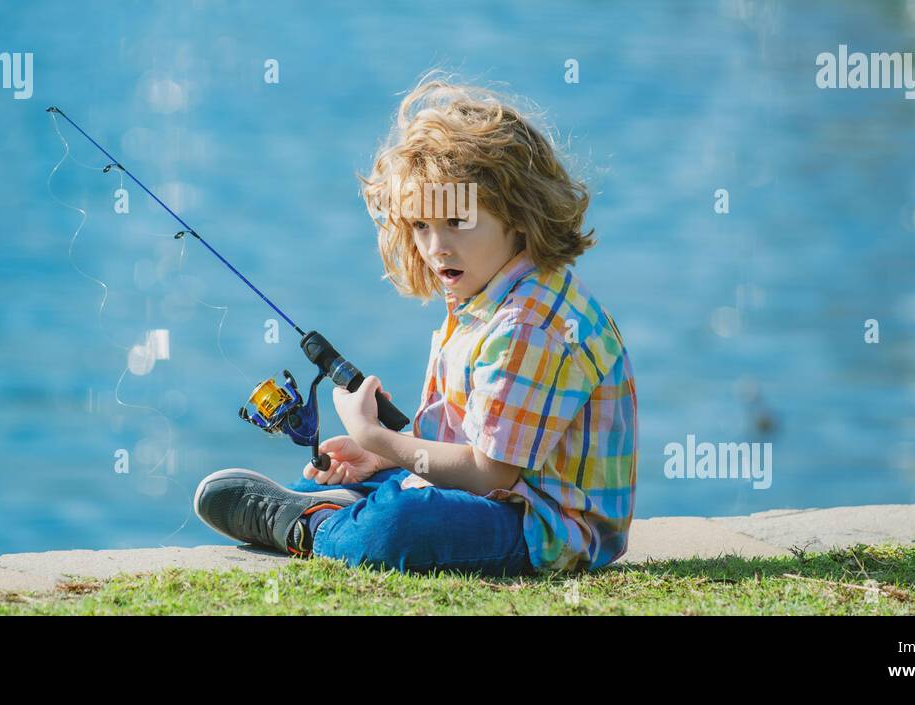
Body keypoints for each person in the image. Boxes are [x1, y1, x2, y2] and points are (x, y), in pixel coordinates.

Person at [194, 70, 638, 576]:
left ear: (516, 213)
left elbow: (490, 469)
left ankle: (314, 525)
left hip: (546, 529)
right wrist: (386, 460)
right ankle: (345, 503)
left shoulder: (528, 324)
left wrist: (377, 437)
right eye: (421, 225)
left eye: (456, 222)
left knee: (401, 525)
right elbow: (469, 438)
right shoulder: (488, 291)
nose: (435, 247)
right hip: (493, 491)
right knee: (388, 494)